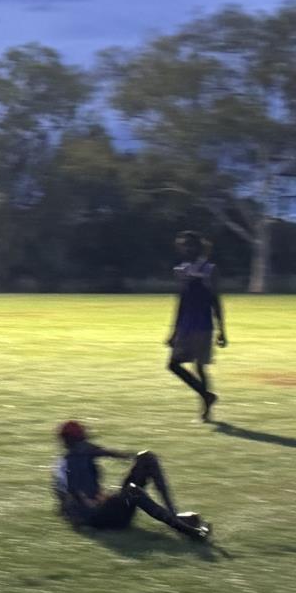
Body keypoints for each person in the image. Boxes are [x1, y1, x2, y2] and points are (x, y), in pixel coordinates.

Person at [51, 421, 211, 541]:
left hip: (104, 512)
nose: (87, 443)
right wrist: (90, 506)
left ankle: (173, 514)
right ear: (72, 443)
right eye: (83, 440)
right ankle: (189, 532)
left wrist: (136, 458)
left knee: (147, 457)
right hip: (96, 518)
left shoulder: (83, 454)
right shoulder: (67, 464)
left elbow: (109, 453)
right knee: (132, 491)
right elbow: (70, 497)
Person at [168, 231, 227, 421]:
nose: (184, 249)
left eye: (187, 245)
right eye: (182, 245)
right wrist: (174, 332)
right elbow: (181, 302)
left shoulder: (210, 270)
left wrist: (222, 330)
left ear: (196, 247)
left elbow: (215, 300)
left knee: (199, 367)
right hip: (186, 326)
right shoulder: (181, 270)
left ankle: (206, 407)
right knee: (173, 365)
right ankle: (207, 395)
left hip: (203, 326)